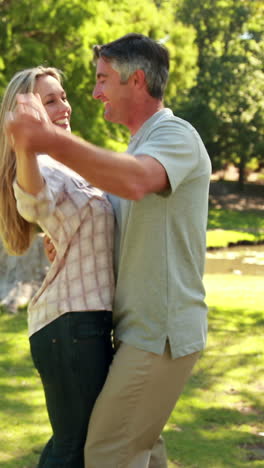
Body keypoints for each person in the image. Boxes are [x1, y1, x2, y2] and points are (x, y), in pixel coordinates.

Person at [6, 33, 212, 468]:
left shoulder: (176, 135)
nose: (94, 92)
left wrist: (47, 140)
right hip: (135, 331)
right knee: (143, 453)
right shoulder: (136, 147)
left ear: (135, 81)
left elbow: (137, 182)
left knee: (107, 452)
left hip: (162, 332)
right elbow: (107, 212)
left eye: (102, 79)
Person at [0, 66, 115, 468]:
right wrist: (26, 146)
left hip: (84, 322)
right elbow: (34, 200)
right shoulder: (42, 165)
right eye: (49, 100)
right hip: (71, 326)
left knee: (78, 445)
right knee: (74, 448)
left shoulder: (68, 164)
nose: (64, 106)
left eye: (62, 96)